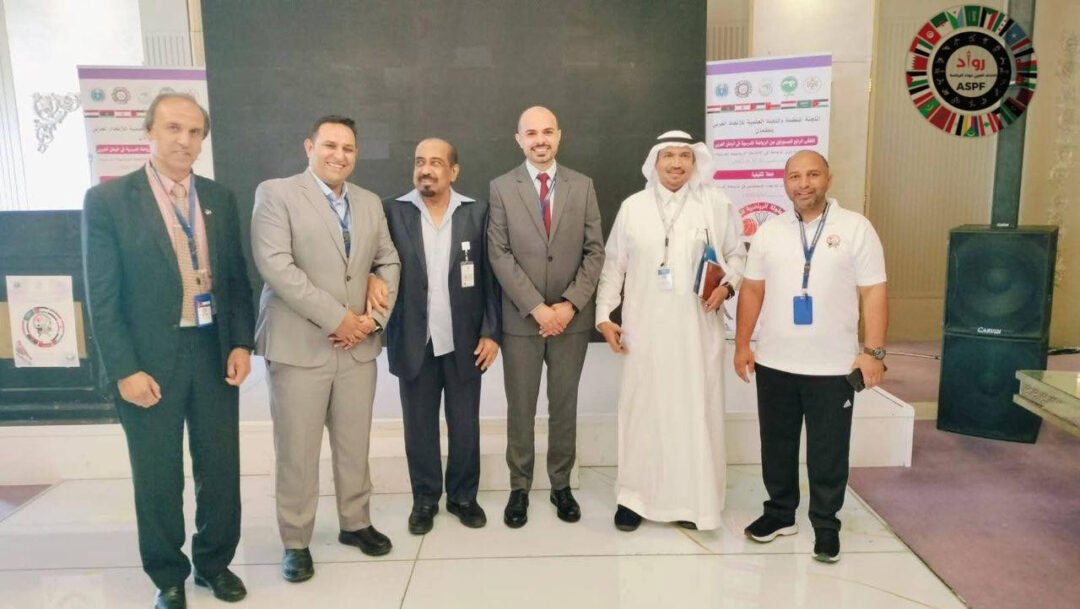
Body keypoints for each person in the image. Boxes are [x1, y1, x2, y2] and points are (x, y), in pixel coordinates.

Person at [82, 93, 254, 609]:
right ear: (149, 132)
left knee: (220, 467)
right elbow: (102, 296)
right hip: (148, 359)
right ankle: (168, 575)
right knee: (157, 474)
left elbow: (235, 279)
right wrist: (124, 369)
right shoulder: (110, 201)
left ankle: (214, 564)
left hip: (212, 349)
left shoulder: (219, 198)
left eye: (195, 132)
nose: (185, 140)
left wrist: (241, 342)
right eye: (174, 128)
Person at [251, 115, 400, 583]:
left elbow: (388, 261)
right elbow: (277, 267)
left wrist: (371, 320)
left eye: (348, 148)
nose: (339, 155)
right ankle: (296, 540)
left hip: (358, 347)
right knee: (297, 450)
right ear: (309, 147)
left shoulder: (369, 202)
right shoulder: (276, 194)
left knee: (354, 444)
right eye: (330, 145)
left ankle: (355, 523)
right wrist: (340, 319)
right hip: (300, 345)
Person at [734, 150, 888, 563]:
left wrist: (873, 352)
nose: (803, 184)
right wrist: (743, 343)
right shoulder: (769, 232)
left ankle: (825, 522)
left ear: (828, 179)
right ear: (785, 183)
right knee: (776, 444)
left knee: (828, 449)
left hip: (833, 366)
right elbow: (752, 289)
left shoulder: (855, 228)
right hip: (775, 362)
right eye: (795, 177)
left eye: (812, 175)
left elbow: (873, 290)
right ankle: (780, 513)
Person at [596, 130, 745, 532]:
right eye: (669, 156)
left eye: (684, 156)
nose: (677, 163)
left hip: (697, 334)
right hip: (644, 333)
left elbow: (737, 255)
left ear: (695, 162)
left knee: (694, 413)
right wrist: (604, 315)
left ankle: (693, 503)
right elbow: (613, 265)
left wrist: (727, 286)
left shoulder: (715, 205)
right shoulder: (633, 207)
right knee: (643, 413)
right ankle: (634, 498)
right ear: (655, 162)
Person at [487, 106, 605, 527]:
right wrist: (537, 308)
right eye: (532, 133)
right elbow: (499, 254)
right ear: (519, 139)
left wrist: (568, 305)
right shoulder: (501, 188)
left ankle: (561, 485)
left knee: (564, 405)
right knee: (520, 407)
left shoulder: (582, 186)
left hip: (571, 320)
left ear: (559, 136)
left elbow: (595, 251)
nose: (540, 140)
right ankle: (519, 487)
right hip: (522, 320)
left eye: (547, 132)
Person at [381, 138, 501, 534]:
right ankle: (425, 499)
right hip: (414, 339)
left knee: (465, 424)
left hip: (464, 340)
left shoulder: (477, 213)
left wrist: (491, 332)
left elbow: (491, 277)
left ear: (454, 171)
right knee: (419, 426)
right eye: (420, 162)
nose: (426, 170)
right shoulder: (392, 211)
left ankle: (463, 497)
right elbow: (375, 262)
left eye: (435, 162)